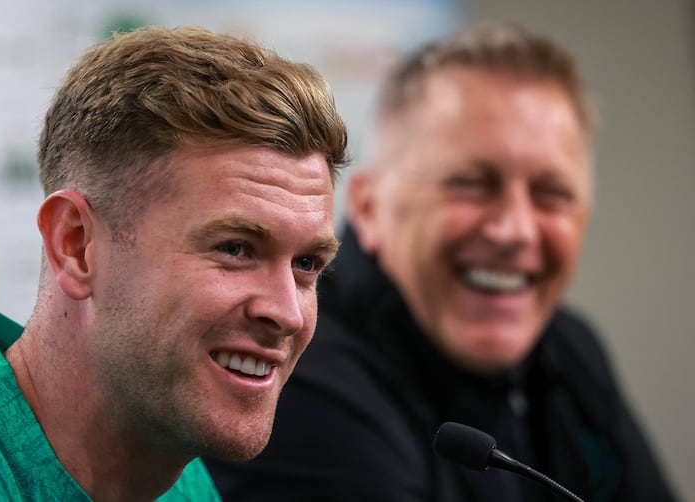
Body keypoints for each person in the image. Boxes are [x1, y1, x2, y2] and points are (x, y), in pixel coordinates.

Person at [204, 22, 679, 502]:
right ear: (369, 208)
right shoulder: (296, 375)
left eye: (551, 194)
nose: (515, 229)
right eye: (471, 183)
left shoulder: (568, 349)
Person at [0, 26, 348, 501]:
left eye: (306, 264)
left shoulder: (180, 475)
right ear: (76, 244)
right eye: (234, 249)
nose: (287, 314)